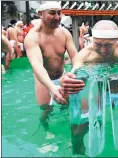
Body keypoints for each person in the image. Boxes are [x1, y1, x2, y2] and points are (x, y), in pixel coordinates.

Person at [60, 20, 118, 154]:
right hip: (96, 89)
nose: (103, 50)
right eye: (98, 44)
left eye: (108, 45)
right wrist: (65, 80)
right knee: (82, 119)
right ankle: (78, 149)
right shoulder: (86, 54)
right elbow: (72, 74)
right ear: (92, 40)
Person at [24, 2, 78, 134]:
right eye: (52, 13)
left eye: (59, 13)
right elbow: (37, 65)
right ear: (40, 14)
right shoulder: (32, 37)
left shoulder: (65, 33)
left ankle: (68, 130)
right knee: (46, 110)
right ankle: (47, 132)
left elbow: (76, 57)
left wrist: (74, 74)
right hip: (43, 79)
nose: (57, 17)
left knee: (67, 106)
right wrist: (51, 87)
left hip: (62, 76)